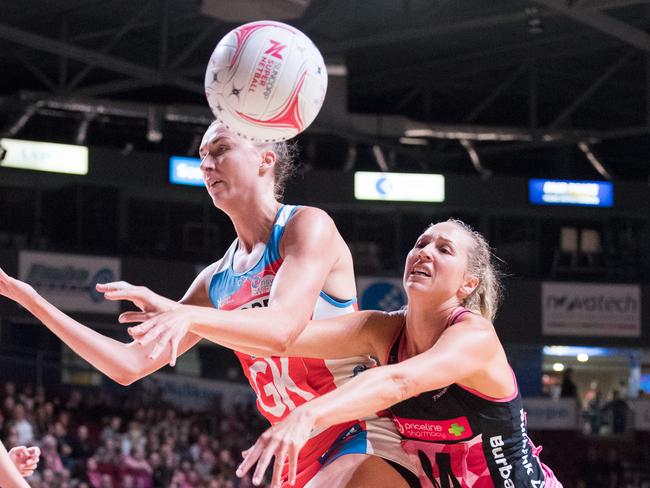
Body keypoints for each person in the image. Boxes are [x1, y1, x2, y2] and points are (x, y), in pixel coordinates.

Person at [0, 120, 416, 487]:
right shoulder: (216, 279)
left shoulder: (306, 226)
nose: (207, 164)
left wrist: (187, 315)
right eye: (202, 156)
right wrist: (29, 298)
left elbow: (281, 330)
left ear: (265, 159)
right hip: (295, 450)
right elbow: (127, 366)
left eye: (220, 151)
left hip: (356, 430)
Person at [224, 220, 562, 487]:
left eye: (444, 250)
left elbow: (399, 381)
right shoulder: (382, 329)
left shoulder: (474, 336)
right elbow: (281, 337)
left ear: (468, 284)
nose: (425, 252)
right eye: (420, 244)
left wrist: (309, 414)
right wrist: (190, 318)